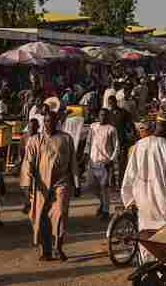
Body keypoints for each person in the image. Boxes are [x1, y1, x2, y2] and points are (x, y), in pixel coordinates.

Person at [121, 120, 166, 263]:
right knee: (164, 244)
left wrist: (129, 200)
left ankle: (147, 272)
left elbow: (129, 176)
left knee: (146, 241)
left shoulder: (138, 147)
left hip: (143, 203)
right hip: (163, 203)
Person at [20, 110, 79, 261]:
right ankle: (44, 250)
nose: (49, 124)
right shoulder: (34, 140)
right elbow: (28, 163)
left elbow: (73, 162)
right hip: (41, 185)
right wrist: (27, 187)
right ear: (43, 123)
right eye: (46, 121)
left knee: (60, 213)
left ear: (57, 121)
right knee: (41, 218)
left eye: (51, 121)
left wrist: (76, 183)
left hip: (62, 182)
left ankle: (58, 247)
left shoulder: (66, 138)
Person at [85, 109, 119, 220]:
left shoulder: (111, 129)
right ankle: (102, 203)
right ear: (98, 116)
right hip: (93, 161)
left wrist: (111, 160)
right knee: (91, 186)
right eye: (101, 115)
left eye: (105, 115)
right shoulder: (93, 126)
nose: (103, 117)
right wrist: (85, 155)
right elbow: (88, 142)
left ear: (108, 117)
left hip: (105, 163)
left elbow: (116, 146)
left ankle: (105, 210)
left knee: (104, 187)